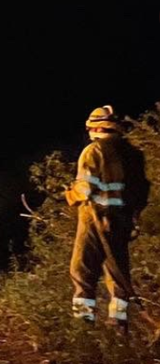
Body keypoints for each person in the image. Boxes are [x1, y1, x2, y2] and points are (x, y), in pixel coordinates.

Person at [66, 105, 150, 328]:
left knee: (81, 270)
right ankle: (118, 323)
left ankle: (83, 324)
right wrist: (133, 217)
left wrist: (69, 195)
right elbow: (142, 191)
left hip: (94, 218)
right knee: (117, 271)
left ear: (94, 128)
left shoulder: (94, 151)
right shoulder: (133, 154)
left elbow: (85, 190)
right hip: (121, 221)